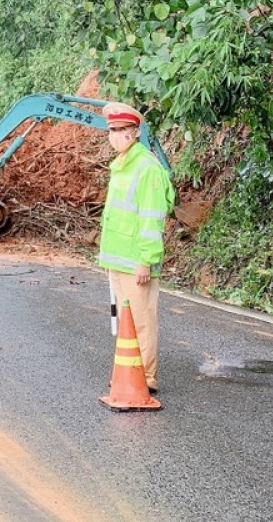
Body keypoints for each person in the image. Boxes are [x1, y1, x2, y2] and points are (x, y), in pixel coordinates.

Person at [96, 101, 175, 395]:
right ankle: (129, 372)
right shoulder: (122, 166)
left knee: (142, 321)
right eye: (111, 130)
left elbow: (151, 219)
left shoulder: (147, 169)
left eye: (121, 130)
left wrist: (146, 260)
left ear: (136, 132)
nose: (114, 135)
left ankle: (147, 377)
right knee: (125, 321)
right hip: (118, 259)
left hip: (136, 261)